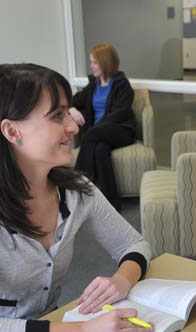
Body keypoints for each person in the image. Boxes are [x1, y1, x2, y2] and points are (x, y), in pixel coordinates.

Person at [0, 63, 153, 332]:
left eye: (67, 112)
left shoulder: (76, 190)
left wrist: (122, 279)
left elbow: (135, 245)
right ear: (12, 130)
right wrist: (82, 331)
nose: (74, 126)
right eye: (57, 116)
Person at [69, 43, 136, 209]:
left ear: (105, 63)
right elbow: (72, 100)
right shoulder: (93, 85)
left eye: (94, 62)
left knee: (90, 135)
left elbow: (119, 114)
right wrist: (71, 110)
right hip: (99, 134)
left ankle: (76, 187)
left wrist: (96, 129)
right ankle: (111, 204)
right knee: (100, 151)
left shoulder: (122, 85)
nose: (91, 66)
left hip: (121, 130)